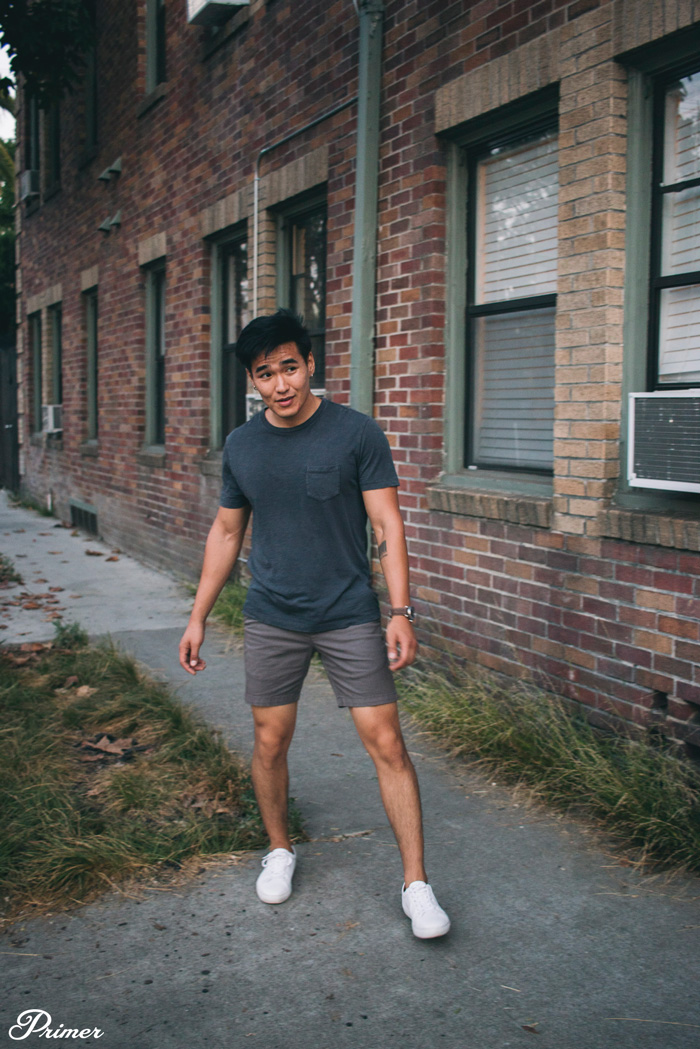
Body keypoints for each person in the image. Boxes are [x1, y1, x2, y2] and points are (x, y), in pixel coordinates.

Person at [178, 309, 450, 939]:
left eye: (290, 367)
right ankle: (280, 849)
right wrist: (196, 617)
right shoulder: (242, 446)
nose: (281, 384)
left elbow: (388, 527)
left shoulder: (355, 434)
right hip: (273, 614)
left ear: (310, 364)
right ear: (254, 379)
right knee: (270, 740)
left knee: (388, 743)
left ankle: (417, 886)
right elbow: (225, 531)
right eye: (265, 373)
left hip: (348, 613)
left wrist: (401, 611)